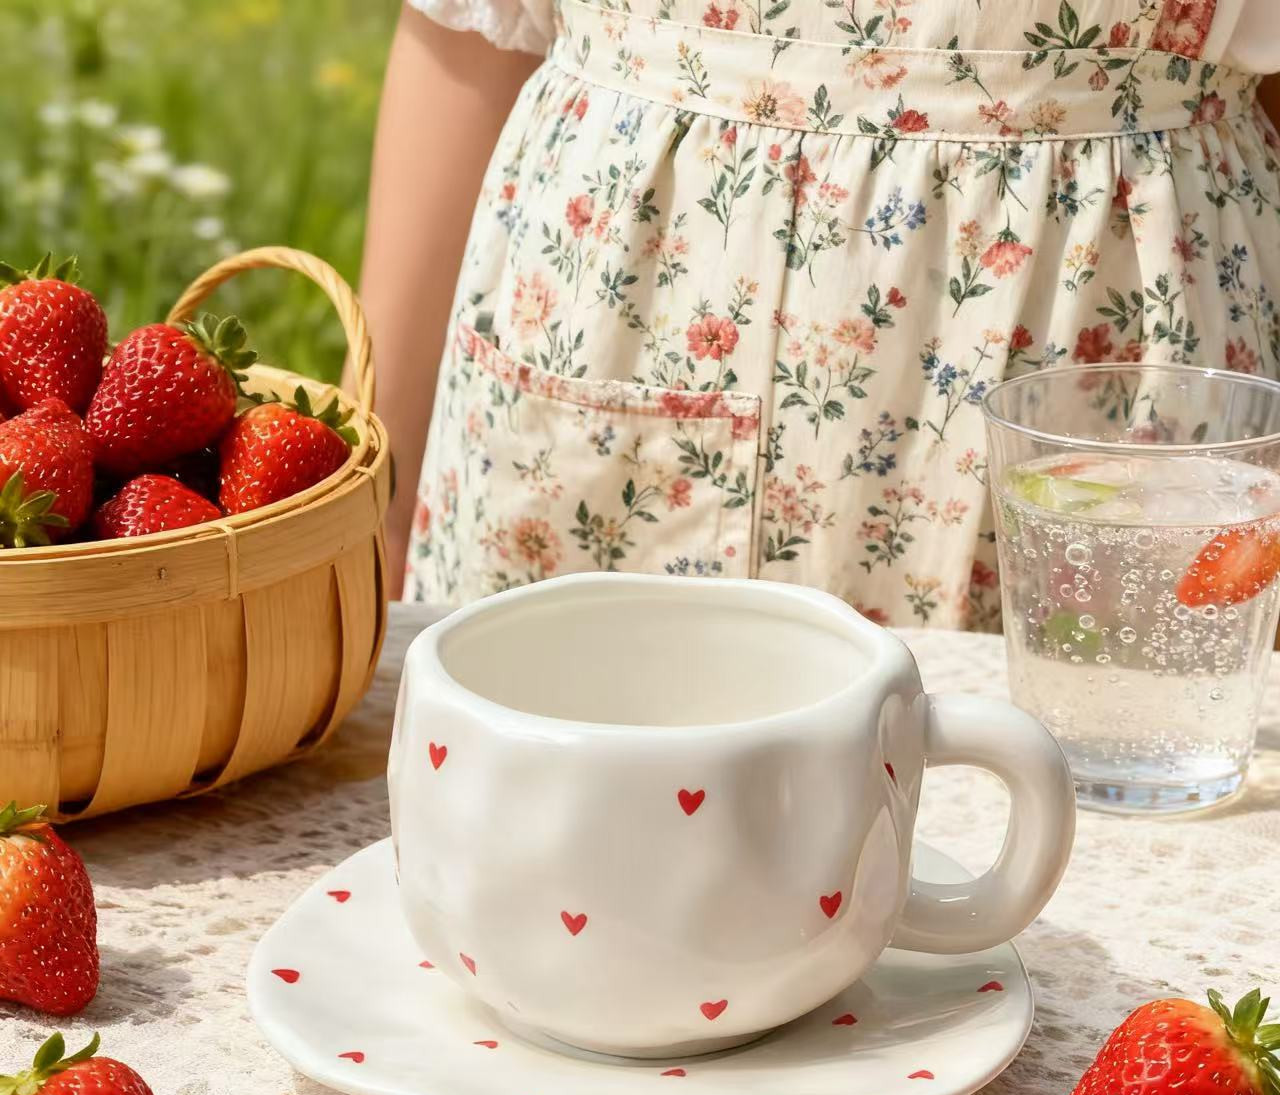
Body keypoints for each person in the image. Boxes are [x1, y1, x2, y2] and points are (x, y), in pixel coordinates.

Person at [360, 0, 1280, 628]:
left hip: (1103, 376)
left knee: (1080, 858)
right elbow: (471, 30)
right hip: (611, 329)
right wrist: (375, 513)